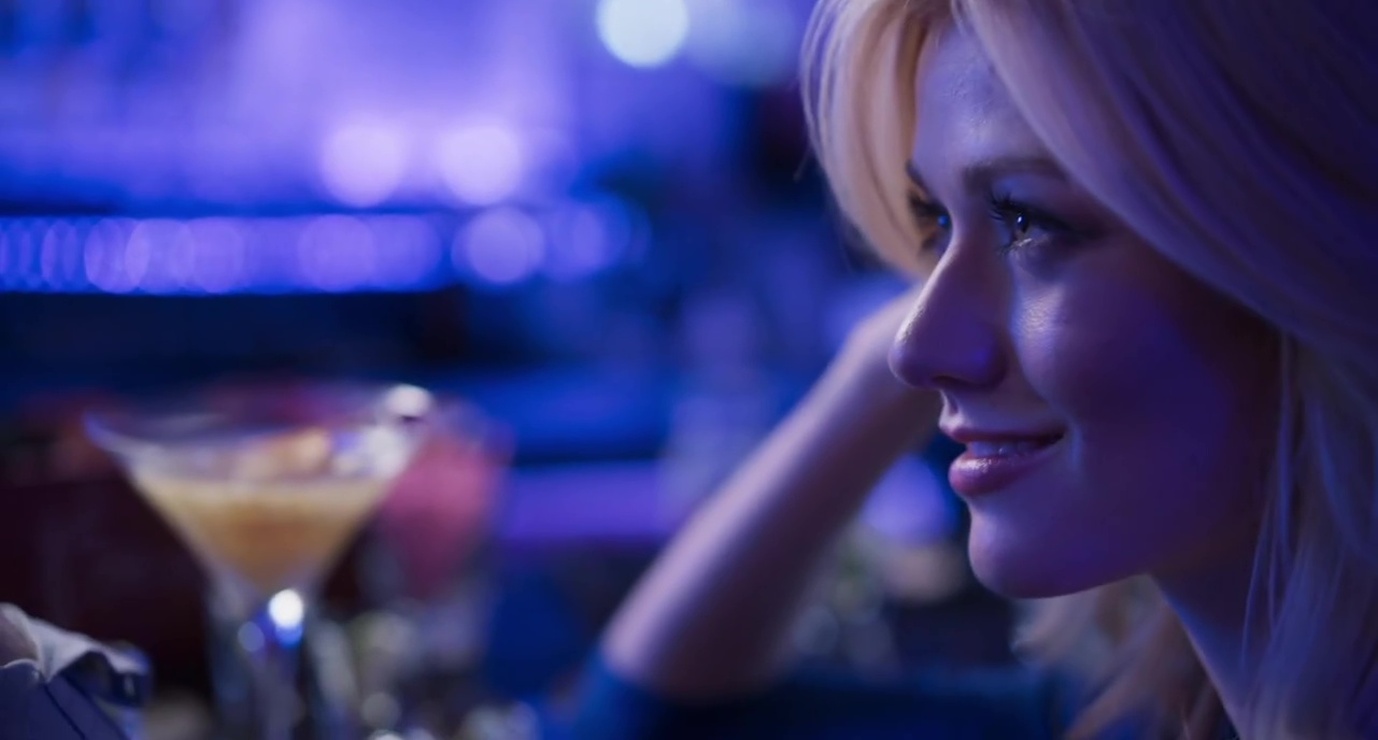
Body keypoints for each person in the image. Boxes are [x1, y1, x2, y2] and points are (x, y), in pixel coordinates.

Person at [574, 0, 1378, 737]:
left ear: (1300, 250)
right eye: (933, 223)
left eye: (1028, 220)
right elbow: (652, 723)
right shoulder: (1158, 715)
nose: (911, 352)